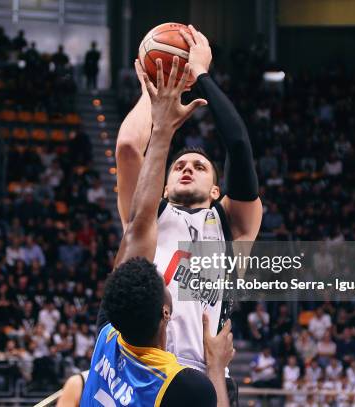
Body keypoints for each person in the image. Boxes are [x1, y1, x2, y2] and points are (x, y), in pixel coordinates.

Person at [65, 58, 233, 406]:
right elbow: (139, 217)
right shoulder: (186, 386)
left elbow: (137, 226)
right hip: (197, 372)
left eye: (198, 166)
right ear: (165, 314)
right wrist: (216, 368)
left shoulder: (108, 339)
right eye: (181, 165)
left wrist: (157, 111)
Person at [115, 24, 261, 396]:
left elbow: (240, 147)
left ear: (216, 190)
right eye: (179, 166)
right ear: (162, 186)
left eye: (198, 166)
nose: (186, 168)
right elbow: (131, 148)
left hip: (207, 373)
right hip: (148, 367)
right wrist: (160, 91)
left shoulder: (233, 225)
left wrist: (201, 76)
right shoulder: (150, 215)